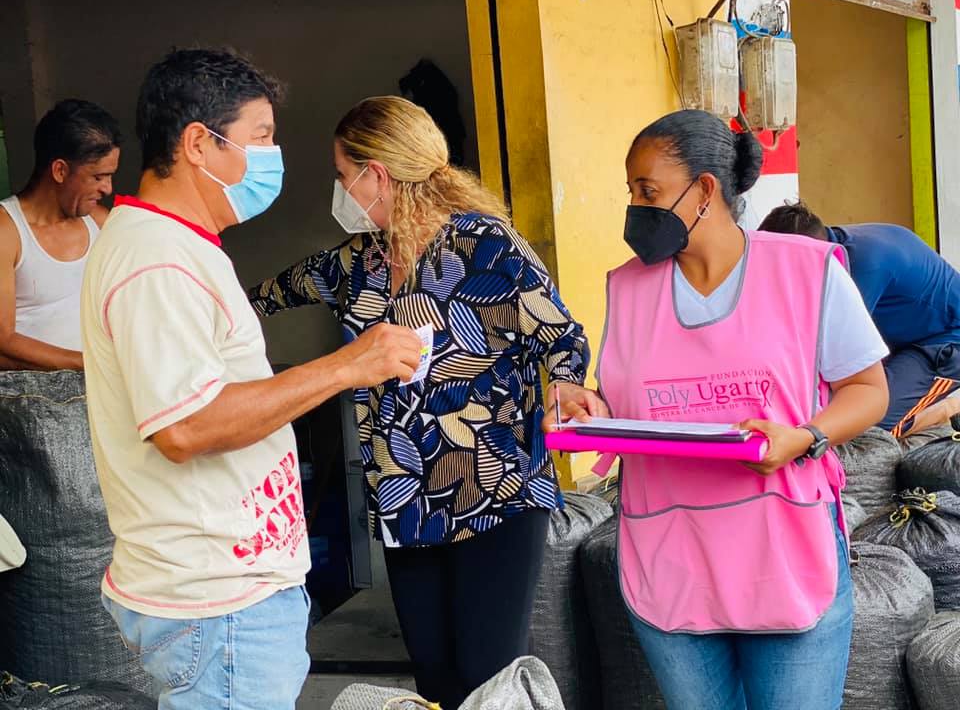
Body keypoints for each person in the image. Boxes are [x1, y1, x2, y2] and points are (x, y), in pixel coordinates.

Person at [80, 50, 422, 710]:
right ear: (198, 144)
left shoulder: (178, 246)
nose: (273, 157)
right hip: (217, 605)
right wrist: (347, 366)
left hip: (229, 593)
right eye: (260, 138)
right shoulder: (157, 262)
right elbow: (186, 426)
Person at [248, 95, 593, 708]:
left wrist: (564, 385)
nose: (339, 190)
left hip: (496, 497)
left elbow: (562, 337)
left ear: (377, 175)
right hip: (405, 501)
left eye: (342, 174)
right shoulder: (358, 264)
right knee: (434, 681)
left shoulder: (485, 246)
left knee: (488, 681)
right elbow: (263, 296)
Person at [549, 110, 889, 710]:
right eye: (631, 192)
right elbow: (630, 405)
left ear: (705, 190)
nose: (635, 208)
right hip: (670, 555)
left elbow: (867, 389)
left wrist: (805, 436)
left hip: (781, 551)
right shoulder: (627, 288)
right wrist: (589, 407)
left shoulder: (804, 270)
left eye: (648, 191)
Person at [759, 201, 960, 432]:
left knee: (867, 424)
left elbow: (823, 347)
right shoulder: (825, 245)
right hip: (899, 336)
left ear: (809, 251)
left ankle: (948, 408)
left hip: (943, 344)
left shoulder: (863, 267)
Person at [0, 99, 121, 370]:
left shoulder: (99, 223)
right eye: (99, 177)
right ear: (60, 171)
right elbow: (2, 340)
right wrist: (88, 364)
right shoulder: (7, 233)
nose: (108, 188)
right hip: (31, 390)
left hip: (99, 378)